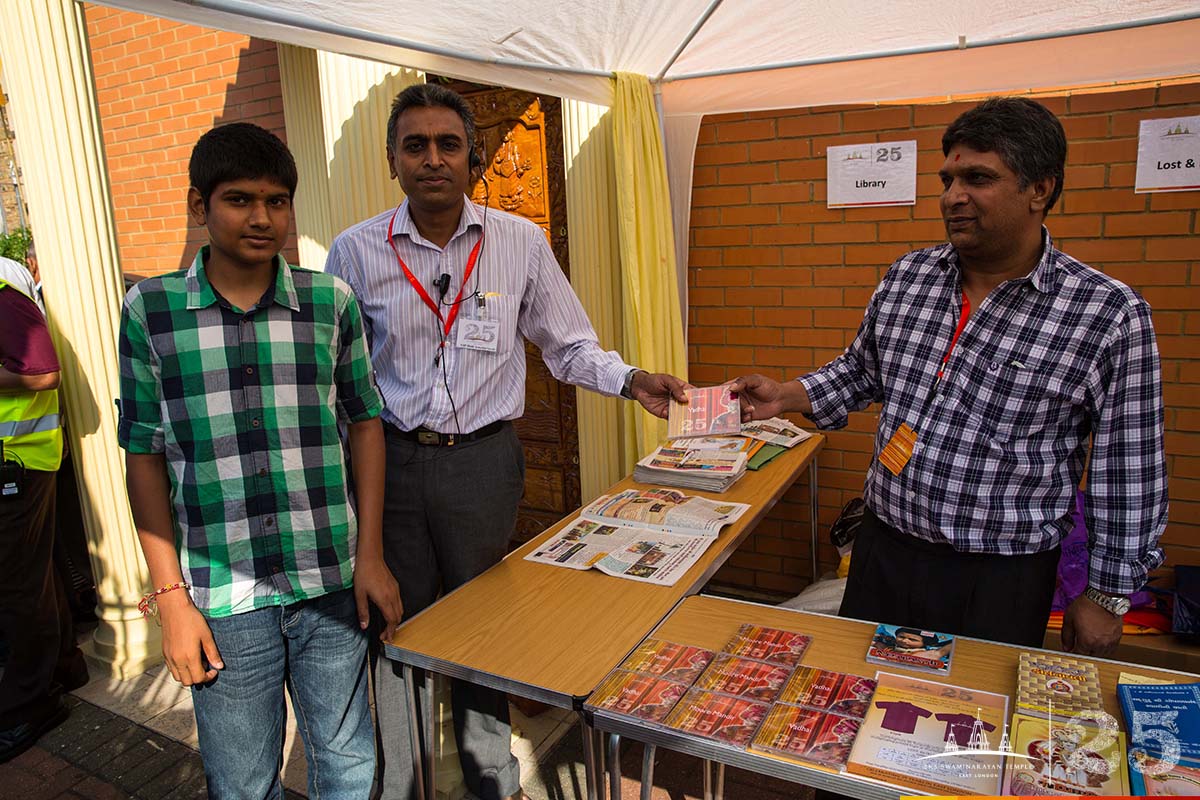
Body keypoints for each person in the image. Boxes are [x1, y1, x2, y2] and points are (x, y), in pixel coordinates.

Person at [325, 83, 688, 800]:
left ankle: (492, 779)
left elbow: (569, 344)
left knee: (480, 629)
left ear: (475, 156)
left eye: (448, 144)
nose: (433, 159)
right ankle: (401, 784)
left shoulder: (518, 243)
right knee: (393, 626)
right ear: (393, 159)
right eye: (415, 145)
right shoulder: (355, 251)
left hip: (485, 465)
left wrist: (630, 378)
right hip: (389, 466)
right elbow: (336, 379)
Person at [733, 97, 1167, 658]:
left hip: (999, 577)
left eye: (978, 178)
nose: (952, 196)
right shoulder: (909, 276)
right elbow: (862, 371)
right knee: (861, 703)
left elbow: (1129, 467)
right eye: (948, 179)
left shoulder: (1107, 313)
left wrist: (1107, 595)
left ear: (1040, 189)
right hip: (885, 549)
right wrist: (786, 394)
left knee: (968, 726)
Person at [117, 123, 403, 798]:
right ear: (200, 208)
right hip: (223, 598)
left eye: (277, 202)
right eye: (240, 200)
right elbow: (143, 452)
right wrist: (170, 599)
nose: (262, 217)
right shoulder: (151, 312)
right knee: (243, 779)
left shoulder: (328, 303)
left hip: (329, 580)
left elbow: (365, 424)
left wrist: (370, 554)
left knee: (348, 761)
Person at [0, 251, 84, 762]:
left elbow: (41, 372)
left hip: (17, 461)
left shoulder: (2, 289)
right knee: (37, 577)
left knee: (15, 587)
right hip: (22, 459)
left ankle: (29, 705)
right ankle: (64, 669)